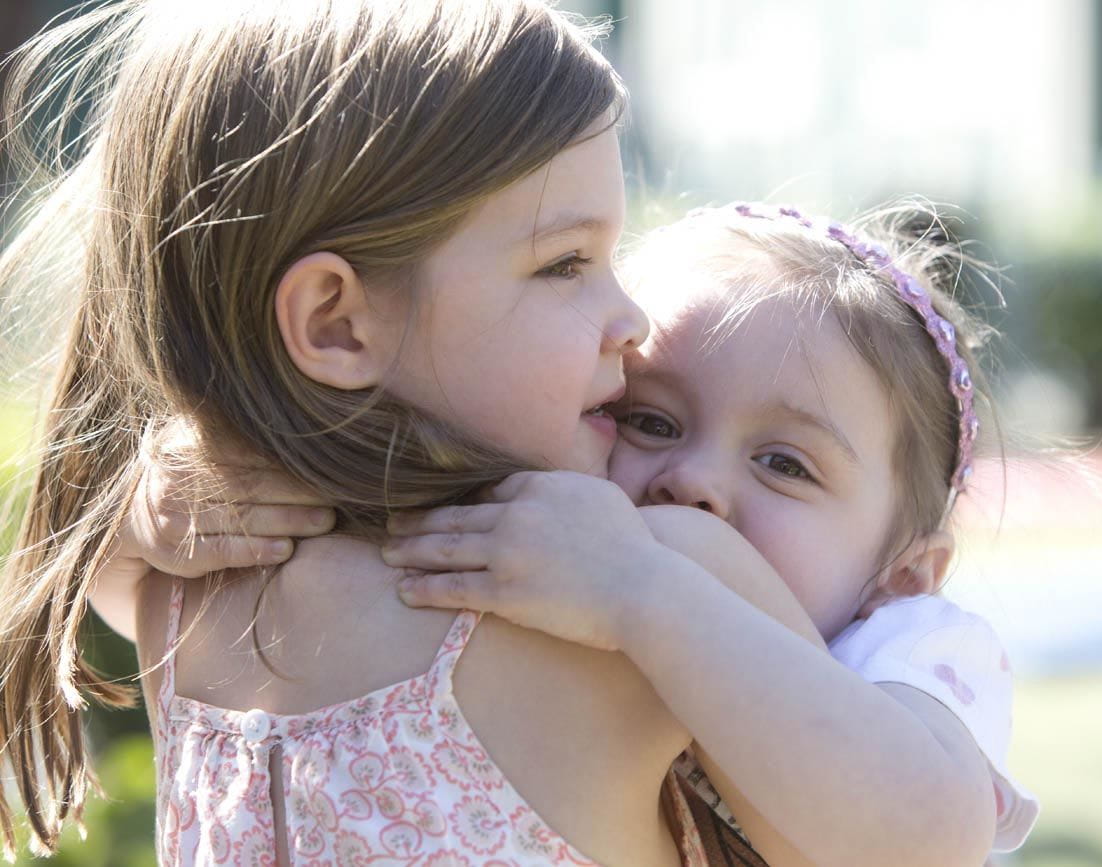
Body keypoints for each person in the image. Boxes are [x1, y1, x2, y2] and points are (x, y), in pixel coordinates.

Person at [1, 1, 823, 863]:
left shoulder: (651, 576)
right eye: (565, 264)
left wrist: (649, 598)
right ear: (336, 324)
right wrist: (143, 516)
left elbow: (907, 836)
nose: (631, 319)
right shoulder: (200, 579)